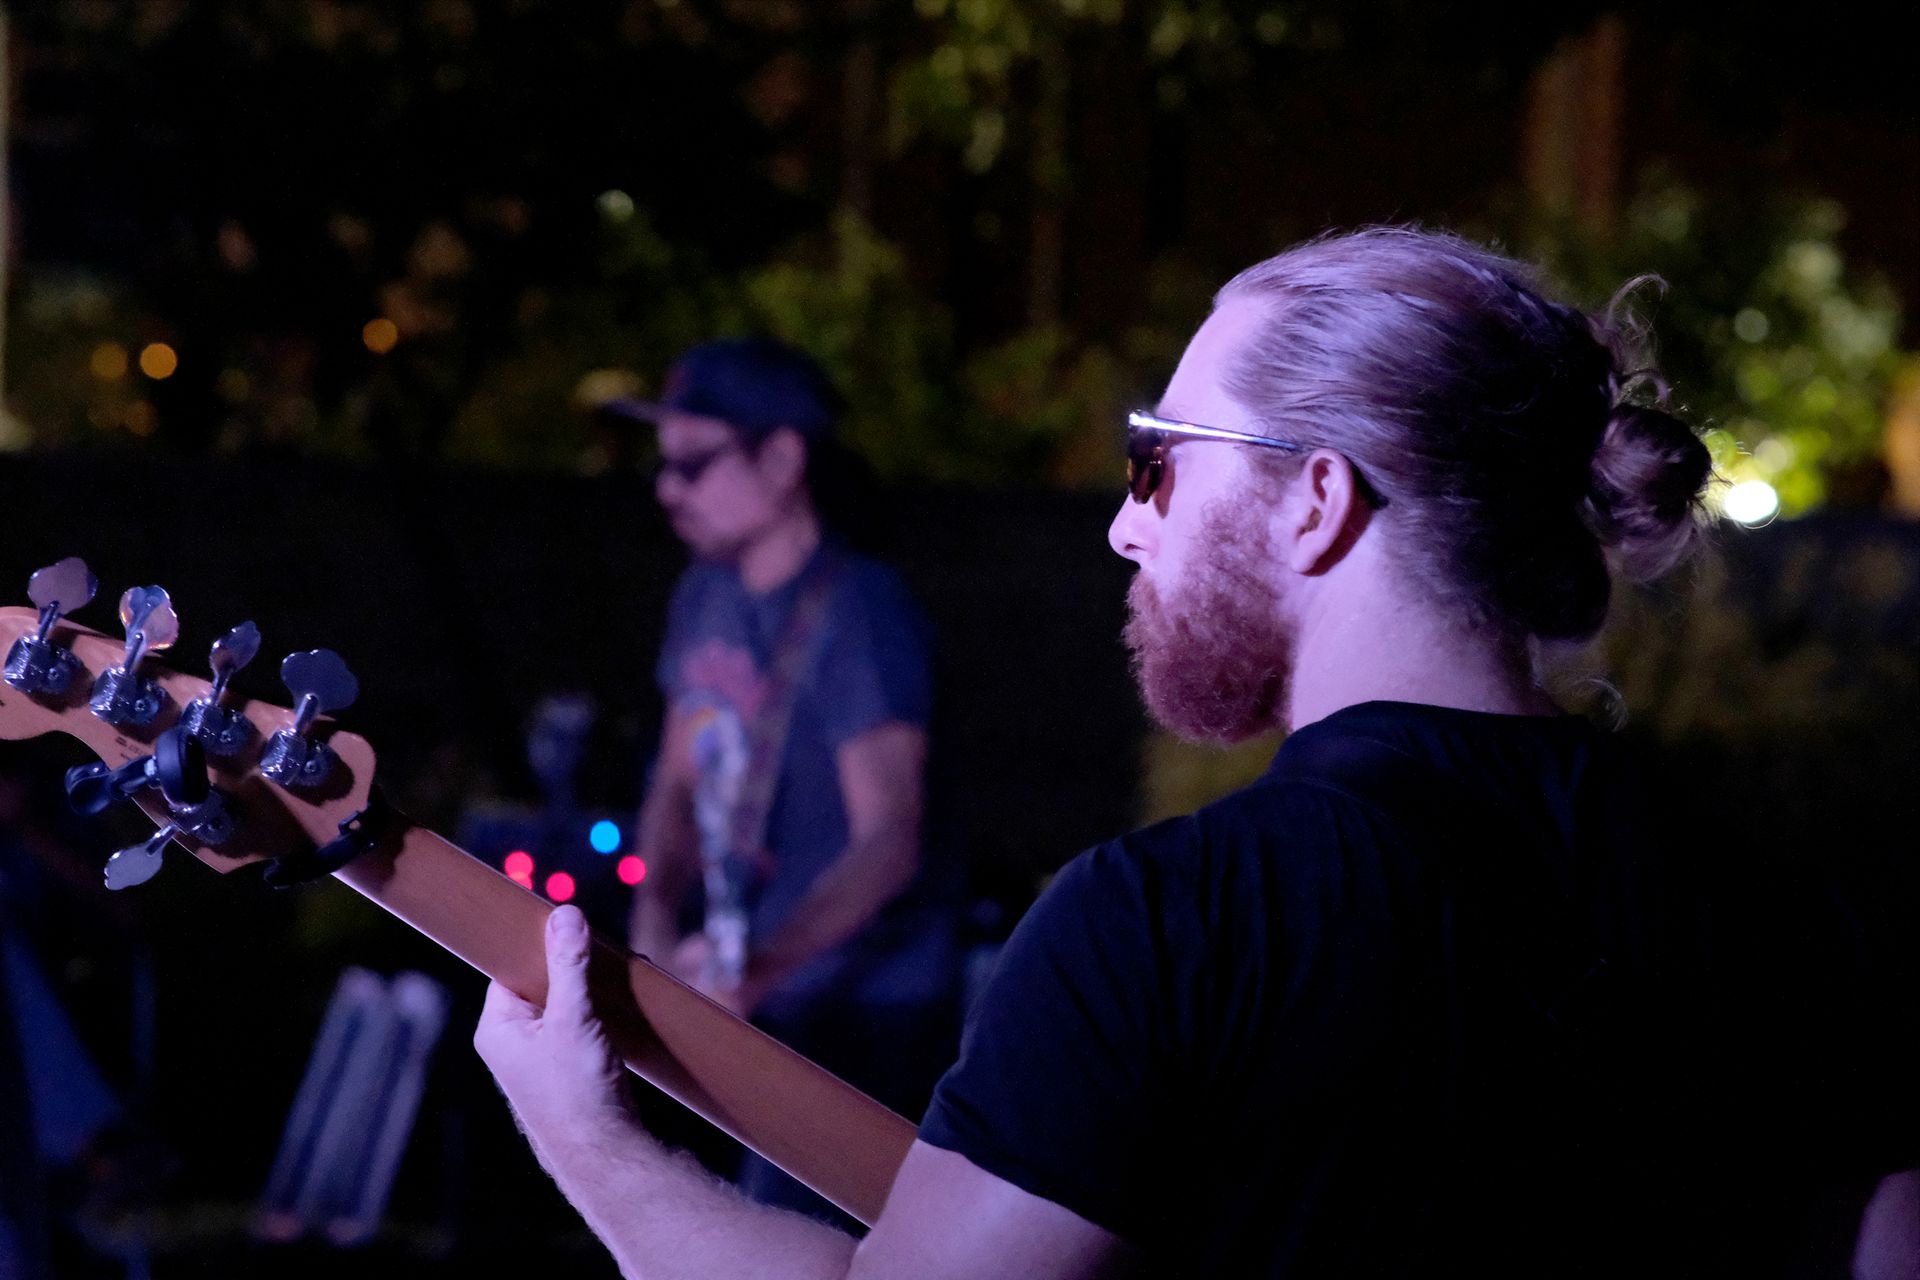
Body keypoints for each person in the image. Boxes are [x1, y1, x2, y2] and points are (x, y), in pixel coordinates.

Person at [475, 229, 1918, 1277]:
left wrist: (587, 1138)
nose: (1124, 522)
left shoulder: (1171, 926)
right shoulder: (1796, 923)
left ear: (1314, 505)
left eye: (1157, 458)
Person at [602, 336, 959, 1216]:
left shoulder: (862, 612)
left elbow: (890, 842)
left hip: (865, 1010)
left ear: (785, 456)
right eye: (663, 462)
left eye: (694, 462)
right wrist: (650, 928)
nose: (667, 488)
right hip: (756, 998)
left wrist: (753, 970)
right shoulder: (706, 596)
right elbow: (676, 785)